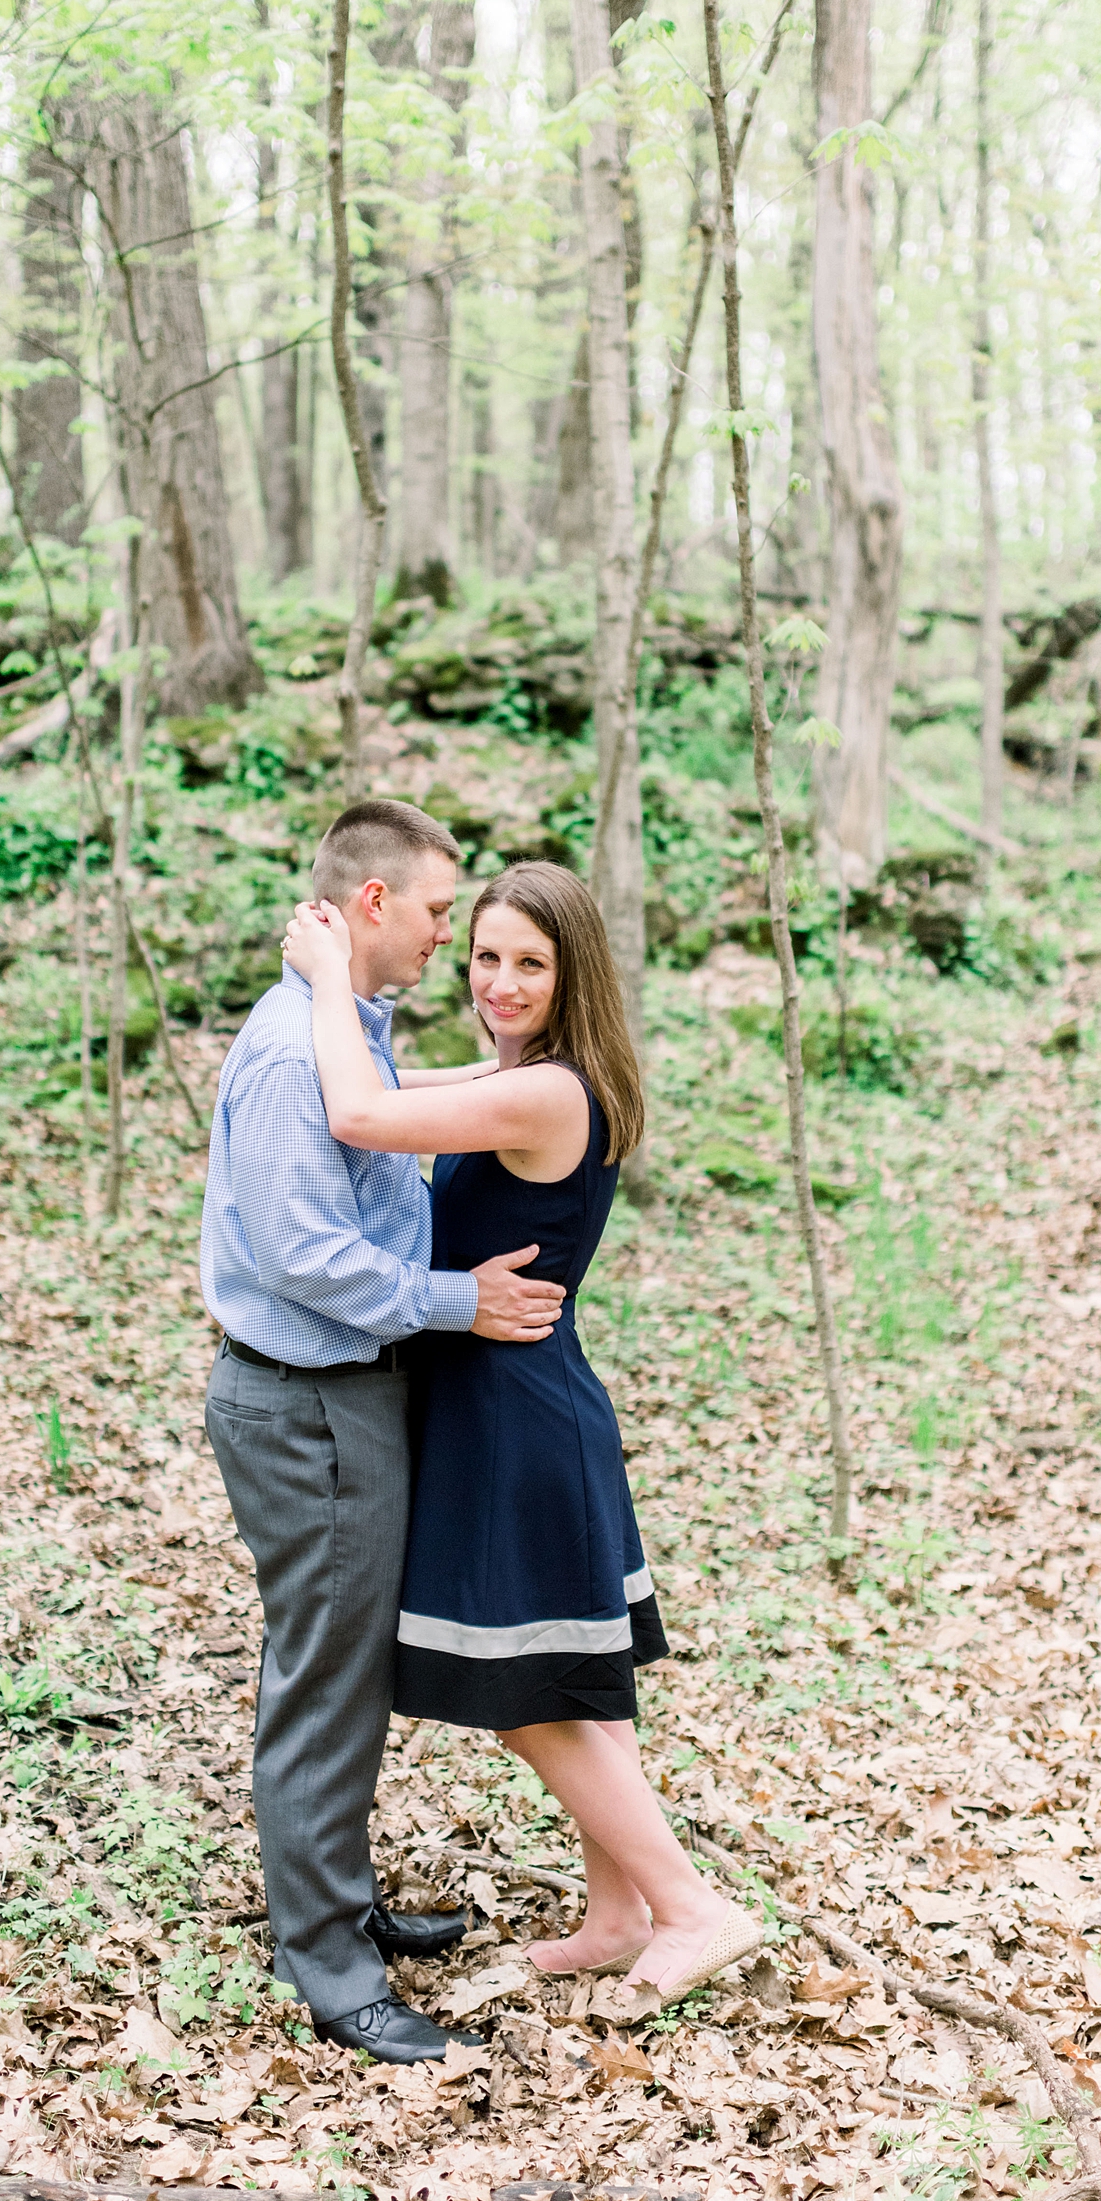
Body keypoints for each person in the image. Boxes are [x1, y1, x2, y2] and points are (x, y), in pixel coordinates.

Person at [281, 859, 764, 2023]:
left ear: (574, 972)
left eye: (529, 964)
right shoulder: (529, 1075)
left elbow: (361, 1112)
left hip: (510, 1422)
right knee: (571, 1686)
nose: (498, 981)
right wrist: (344, 1014)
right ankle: (619, 1916)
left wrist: (325, 975)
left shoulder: (544, 1095)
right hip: (516, 1402)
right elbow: (396, 1077)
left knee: (523, 1695)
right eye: (486, 955)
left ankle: (694, 1909)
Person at [200, 800, 571, 2065]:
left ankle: (336, 1903)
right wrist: (466, 1303)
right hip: (306, 1402)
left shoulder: (348, 1021)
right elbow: (311, 1257)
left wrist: (527, 1082)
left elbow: (392, 1102)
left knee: (342, 1665)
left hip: (349, 1398)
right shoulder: (287, 1050)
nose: (447, 938)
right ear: (370, 905)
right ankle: (330, 1965)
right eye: (432, 912)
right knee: (327, 1676)